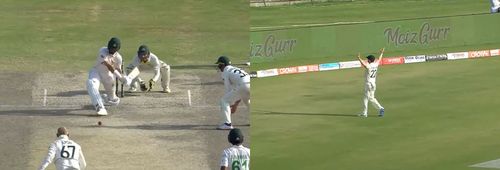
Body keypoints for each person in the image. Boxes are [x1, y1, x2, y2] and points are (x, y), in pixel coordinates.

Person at [86, 37, 131, 116]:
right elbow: (109, 66)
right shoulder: (102, 50)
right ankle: (100, 107)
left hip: (108, 76)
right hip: (97, 72)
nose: (112, 50)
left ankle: (105, 98)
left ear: (118, 49)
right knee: (91, 84)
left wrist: (124, 78)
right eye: (110, 48)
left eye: (114, 49)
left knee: (114, 100)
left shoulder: (119, 58)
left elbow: (118, 69)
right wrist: (120, 77)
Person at [215, 56, 250, 130]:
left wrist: (232, 104)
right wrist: (235, 105)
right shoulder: (235, 68)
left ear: (223, 65)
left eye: (219, 65)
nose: (218, 67)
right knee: (247, 101)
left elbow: (228, 89)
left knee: (224, 100)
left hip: (243, 85)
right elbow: (237, 92)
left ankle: (227, 124)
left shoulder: (225, 71)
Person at [357, 48, 385, 117]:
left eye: (368, 59)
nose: (367, 60)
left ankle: (364, 113)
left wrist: (359, 58)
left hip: (368, 84)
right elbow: (379, 59)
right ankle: (381, 108)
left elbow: (363, 64)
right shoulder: (376, 64)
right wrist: (382, 53)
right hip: (373, 84)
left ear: (370, 60)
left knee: (366, 98)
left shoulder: (369, 66)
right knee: (371, 98)